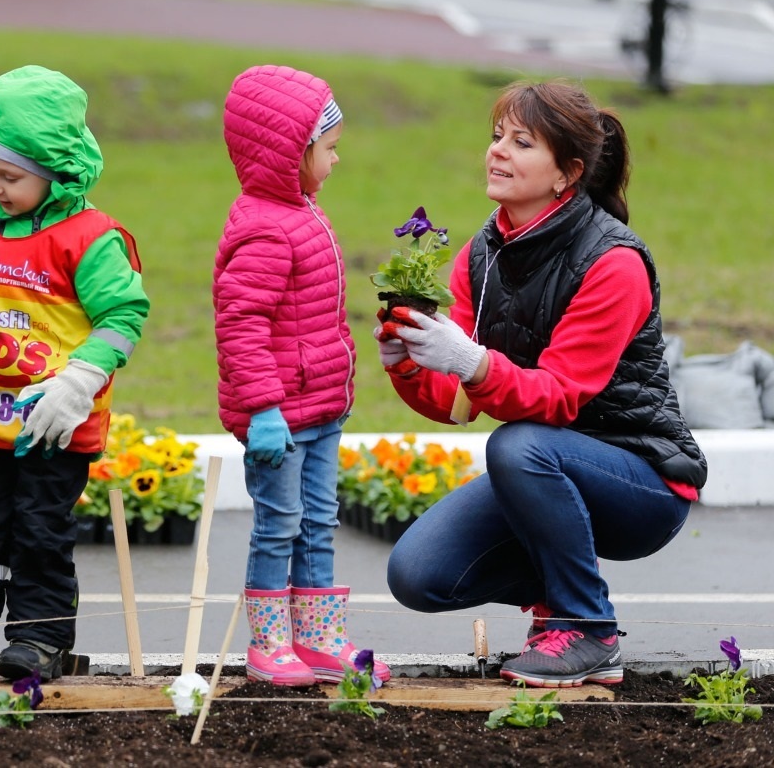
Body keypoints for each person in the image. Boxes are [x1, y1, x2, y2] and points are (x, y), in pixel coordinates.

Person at [378, 79, 706, 688]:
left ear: (567, 173)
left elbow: (556, 397)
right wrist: (410, 360)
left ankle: (587, 629)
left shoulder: (614, 262)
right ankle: (557, 603)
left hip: (642, 482)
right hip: (544, 470)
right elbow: (456, 406)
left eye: (522, 142)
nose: (498, 151)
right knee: (418, 574)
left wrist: (470, 360)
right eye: (497, 136)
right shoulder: (481, 255)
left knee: (518, 443)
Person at [0, 65, 149, 683]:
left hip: (52, 427)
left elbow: (123, 317)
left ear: (58, 172)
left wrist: (76, 386)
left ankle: (39, 641)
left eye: (11, 177)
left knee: (40, 532)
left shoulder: (92, 240)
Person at [215, 64, 388, 687]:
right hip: (280, 419)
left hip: (318, 410)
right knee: (279, 523)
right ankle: (268, 645)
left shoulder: (299, 210)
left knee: (318, 521)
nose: (336, 161)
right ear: (291, 151)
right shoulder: (265, 227)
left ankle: (317, 639)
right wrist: (263, 410)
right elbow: (241, 325)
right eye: (330, 148)